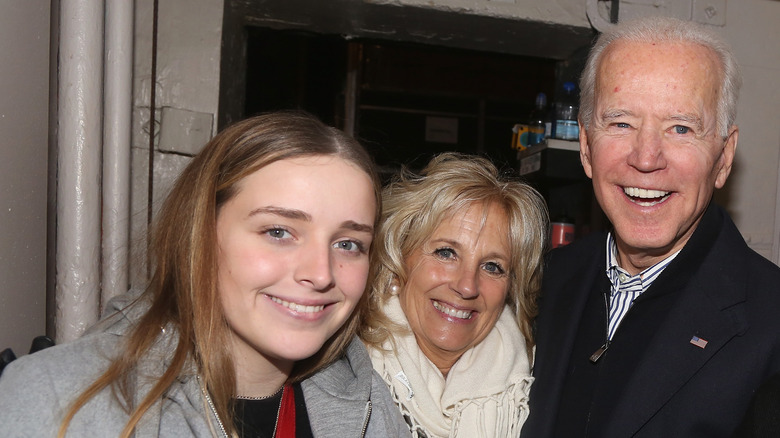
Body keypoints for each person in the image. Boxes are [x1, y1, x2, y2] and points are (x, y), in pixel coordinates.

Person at [0, 111, 411, 438]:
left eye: (348, 244)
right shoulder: (56, 398)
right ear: (199, 233)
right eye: (279, 232)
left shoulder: (370, 406)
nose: (321, 273)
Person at [521, 16, 780, 438]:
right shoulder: (539, 282)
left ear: (724, 157)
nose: (646, 157)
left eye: (680, 128)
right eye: (621, 123)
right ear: (586, 147)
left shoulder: (771, 323)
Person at [359, 152, 549, 437]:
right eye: (446, 253)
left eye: (492, 267)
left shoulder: (537, 388)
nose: (467, 286)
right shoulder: (343, 373)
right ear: (398, 256)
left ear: (511, 287)